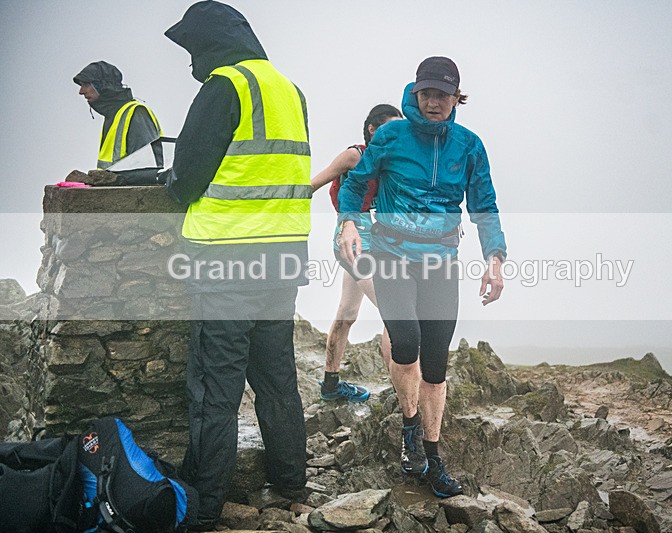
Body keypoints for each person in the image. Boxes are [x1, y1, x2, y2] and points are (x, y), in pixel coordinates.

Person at [164, 1, 312, 526]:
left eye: (193, 50)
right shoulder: (288, 90)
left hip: (228, 261)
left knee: (216, 388)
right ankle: (291, 484)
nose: (190, 63)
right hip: (284, 259)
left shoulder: (224, 87)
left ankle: (201, 509)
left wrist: (174, 185)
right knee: (277, 380)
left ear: (212, 44)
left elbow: (186, 180)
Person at [338, 56, 507, 498]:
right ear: (416, 94)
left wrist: (495, 256)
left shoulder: (469, 145)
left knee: (435, 364)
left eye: (443, 95)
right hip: (392, 255)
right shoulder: (392, 135)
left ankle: (431, 454)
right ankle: (408, 422)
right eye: (427, 93)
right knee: (406, 342)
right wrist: (351, 222)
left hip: (441, 263)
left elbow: (484, 204)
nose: (435, 102)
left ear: (456, 98)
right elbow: (355, 185)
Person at [311, 104, 402, 402]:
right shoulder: (356, 155)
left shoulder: (387, 163)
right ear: (373, 129)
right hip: (350, 238)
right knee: (395, 314)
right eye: (390, 128)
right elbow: (316, 182)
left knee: (347, 313)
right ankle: (402, 392)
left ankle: (330, 384)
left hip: (370, 239)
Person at [73, 61, 163, 169]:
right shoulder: (113, 116)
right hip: (115, 187)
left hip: (133, 187)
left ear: (102, 86)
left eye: (86, 85)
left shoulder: (136, 113)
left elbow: (147, 167)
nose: (81, 91)